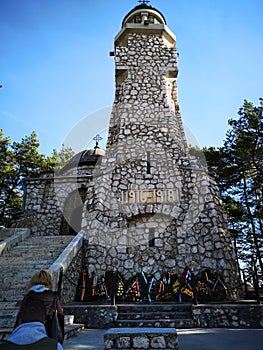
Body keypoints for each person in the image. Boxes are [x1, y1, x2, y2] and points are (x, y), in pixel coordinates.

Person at [14, 270, 64, 344]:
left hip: (29, 327)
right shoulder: (53, 295)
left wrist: (15, 330)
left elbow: (21, 313)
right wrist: (61, 330)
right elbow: (60, 313)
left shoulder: (29, 295)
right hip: (47, 327)